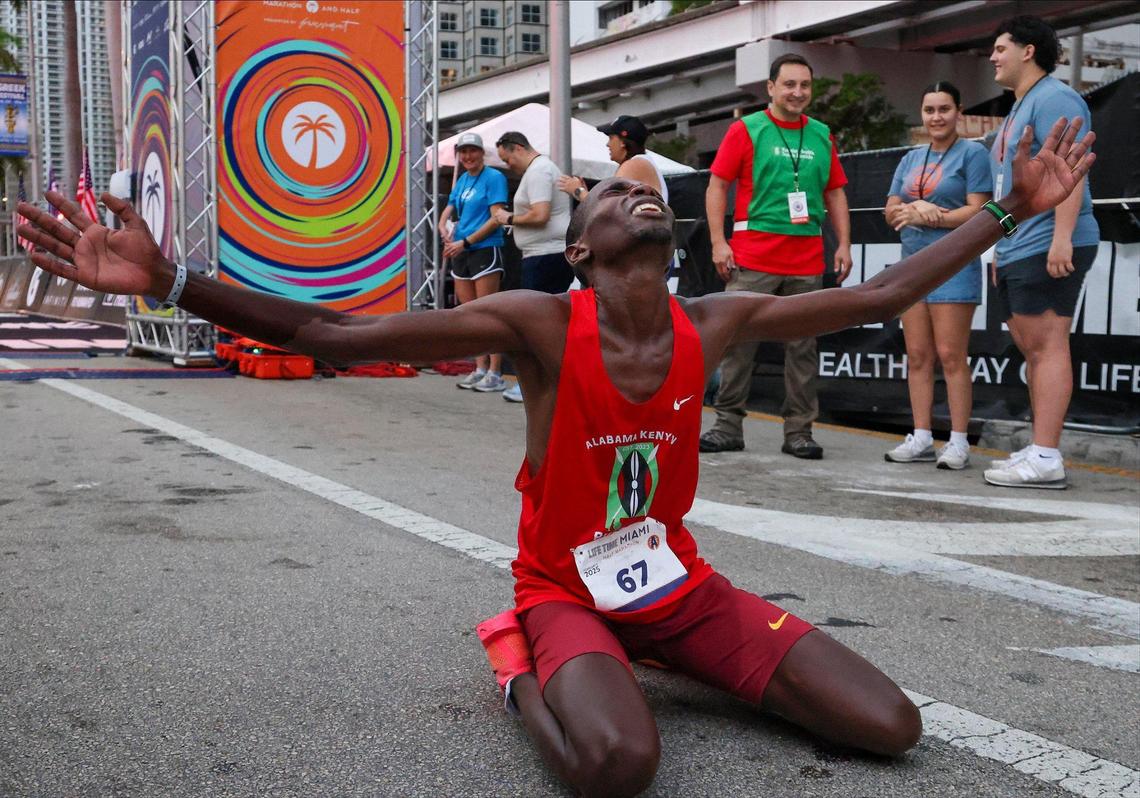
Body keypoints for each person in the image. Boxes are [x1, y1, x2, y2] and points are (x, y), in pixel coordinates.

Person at [18, 118, 1094, 798]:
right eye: (606, 195)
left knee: (891, 727)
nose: (634, 192)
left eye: (644, 190)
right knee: (619, 767)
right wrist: (171, 284)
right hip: (561, 589)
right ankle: (522, 666)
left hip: (679, 589)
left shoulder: (710, 323)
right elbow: (334, 337)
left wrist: (1005, 208)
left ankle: (683, 655)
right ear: (579, 249)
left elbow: (880, 293)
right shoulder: (540, 323)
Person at [701, 53, 852, 460]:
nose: (797, 92)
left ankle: (799, 432)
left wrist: (843, 243)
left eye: (804, 85)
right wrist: (719, 242)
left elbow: (835, 191)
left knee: (803, 349)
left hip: (806, 259)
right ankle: (727, 426)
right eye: (789, 84)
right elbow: (717, 186)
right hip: (753, 256)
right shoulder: (746, 130)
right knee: (738, 346)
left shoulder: (821, 134)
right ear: (770, 88)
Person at [984, 15, 1100, 490]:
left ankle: (1048, 455)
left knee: (1048, 347)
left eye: (999, 48)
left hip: (1048, 241)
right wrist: (995, 250)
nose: (992, 57)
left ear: (1028, 51)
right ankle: (1039, 447)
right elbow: (1006, 186)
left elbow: (1069, 170)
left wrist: (1061, 237)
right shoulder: (1019, 106)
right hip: (1017, 245)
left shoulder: (1055, 97)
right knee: (1032, 350)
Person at [883, 82, 992, 470]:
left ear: (958, 111)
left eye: (944, 109)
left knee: (951, 355)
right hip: (912, 268)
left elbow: (981, 211)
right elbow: (891, 208)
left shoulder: (974, 153)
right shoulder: (911, 158)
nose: (936, 117)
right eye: (929, 110)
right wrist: (909, 212)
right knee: (917, 355)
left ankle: (959, 441)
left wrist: (935, 214)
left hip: (954, 265)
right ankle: (922, 435)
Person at [492, 131, 573, 403]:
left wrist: (508, 217)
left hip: (545, 256)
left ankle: (538, 382)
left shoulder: (539, 171)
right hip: (544, 254)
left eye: (507, 159)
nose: (508, 165)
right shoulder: (542, 169)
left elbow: (540, 215)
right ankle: (544, 381)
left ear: (516, 148)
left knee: (538, 324)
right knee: (545, 322)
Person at [438, 131, 510, 392]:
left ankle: (495, 371)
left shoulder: (494, 178)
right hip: (461, 250)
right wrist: (442, 225)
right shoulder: (464, 180)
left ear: (482, 153)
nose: (468, 156)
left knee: (489, 312)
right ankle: (479, 367)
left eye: (472, 151)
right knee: (469, 314)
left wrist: (466, 242)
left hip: (483, 248)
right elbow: (450, 206)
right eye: (464, 152)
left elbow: (497, 217)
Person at [557, 115, 666, 204]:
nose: (607, 144)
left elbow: (605, 208)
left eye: (611, 138)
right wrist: (588, 194)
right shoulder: (641, 162)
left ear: (623, 142)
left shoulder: (634, 164)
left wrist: (577, 191)